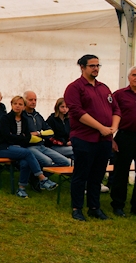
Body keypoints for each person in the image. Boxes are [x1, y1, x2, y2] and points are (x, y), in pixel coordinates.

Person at [64, 54, 119, 221]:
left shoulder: (104, 87)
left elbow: (116, 110)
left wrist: (112, 128)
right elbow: (77, 112)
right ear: (82, 67)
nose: (96, 68)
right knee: (81, 174)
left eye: (98, 65)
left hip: (104, 140)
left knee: (97, 175)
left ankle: (94, 207)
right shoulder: (75, 87)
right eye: (92, 66)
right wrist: (101, 128)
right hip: (84, 138)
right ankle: (77, 208)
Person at [0, 96, 58, 199]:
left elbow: (27, 137)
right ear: (11, 105)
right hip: (3, 148)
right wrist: (20, 137)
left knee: (25, 162)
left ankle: (21, 189)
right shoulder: (5, 118)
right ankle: (42, 178)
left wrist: (18, 137)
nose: (17, 106)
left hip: (19, 148)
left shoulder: (24, 120)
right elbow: (7, 137)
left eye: (20, 104)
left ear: (24, 106)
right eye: (15, 104)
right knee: (28, 153)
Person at [111, 66, 136, 217]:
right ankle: (118, 205)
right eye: (134, 75)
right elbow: (108, 115)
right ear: (129, 77)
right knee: (121, 173)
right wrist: (111, 139)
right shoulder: (119, 95)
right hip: (125, 137)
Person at [23, 91, 72, 168]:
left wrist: (39, 134)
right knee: (48, 161)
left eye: (35, 100)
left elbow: (50, 131)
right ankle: (39, 176)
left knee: (66, 162)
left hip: (41, 145)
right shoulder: (21, 116)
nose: (33, 102)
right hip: (29, 146)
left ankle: (41, 176)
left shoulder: (38, 116)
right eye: (30, 100)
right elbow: (23, 135)